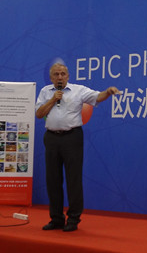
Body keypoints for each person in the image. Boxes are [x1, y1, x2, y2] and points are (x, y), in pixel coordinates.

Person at [35, 62, 121, 232]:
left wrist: (108, 92)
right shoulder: (45, 91)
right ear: (51, 78)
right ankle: (56, 218)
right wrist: (53, 99)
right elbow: (39, 114)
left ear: (68, 76)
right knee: (53, 180)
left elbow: (97, 97)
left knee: (73, 179)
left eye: (63, 74)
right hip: (51, 138)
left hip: (72, 137)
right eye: (56, 74)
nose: (60, 77)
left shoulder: (78, 90)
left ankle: (73, 219)